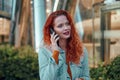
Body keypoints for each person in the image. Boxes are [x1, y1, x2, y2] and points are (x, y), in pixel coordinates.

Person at [38, 10, 90, 80]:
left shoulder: (81, 50)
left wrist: (81, 79)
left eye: (67, 24)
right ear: (52, 30)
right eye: (60, 26)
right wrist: (55, 54)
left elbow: (87, 76)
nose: (66, 28)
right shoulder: (44, 51)